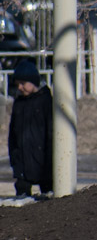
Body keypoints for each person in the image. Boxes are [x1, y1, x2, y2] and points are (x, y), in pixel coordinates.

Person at [9, 59, 52, 198]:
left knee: (50, 198)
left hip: (43, 163)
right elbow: (13, 134)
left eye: (23, 83)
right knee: (22, 199)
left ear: (33, 82)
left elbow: (50, 132)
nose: (20, 88)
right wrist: (15, 158)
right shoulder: (19, 103)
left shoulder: (45, 101)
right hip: (22, 162)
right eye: (18, 84)